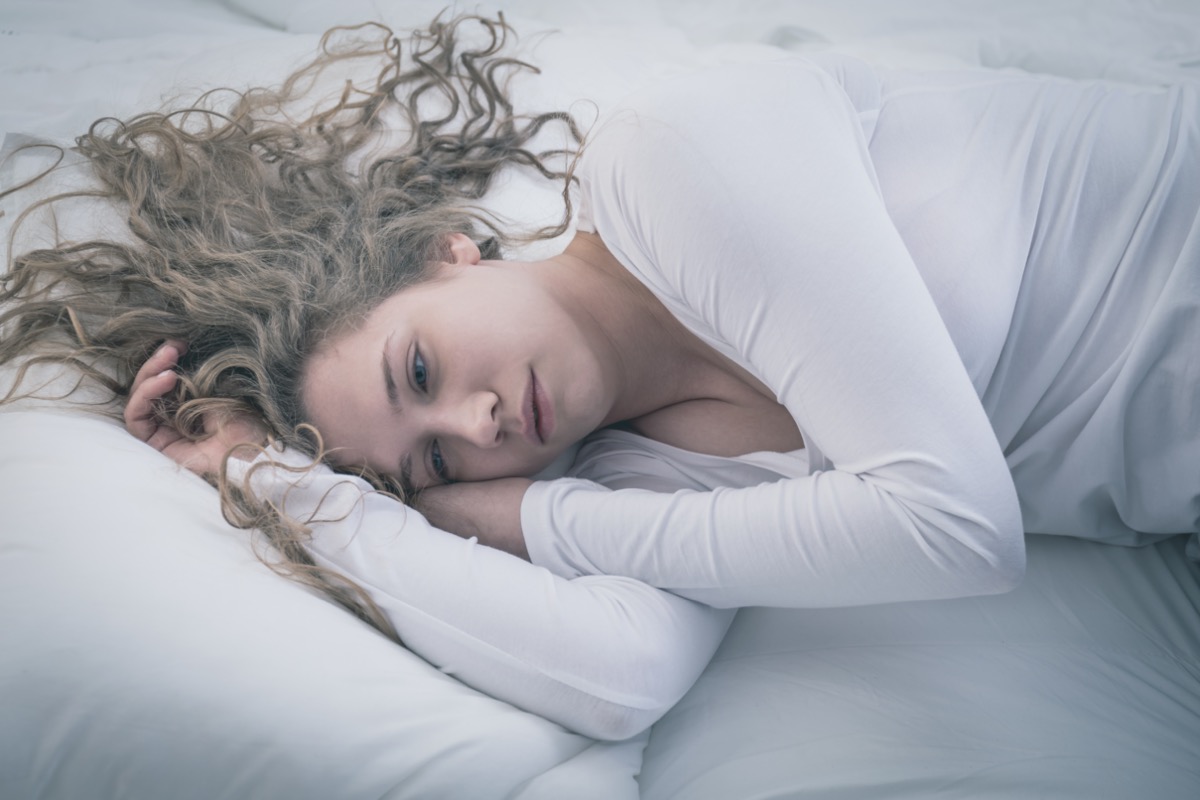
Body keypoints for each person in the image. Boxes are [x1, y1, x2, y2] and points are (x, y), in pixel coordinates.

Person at [5, 11, 1198, 734]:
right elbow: (620, 676)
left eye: (419, 364)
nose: (475, 426)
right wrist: (289, 489)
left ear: (445, 252)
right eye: (432, 462)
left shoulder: (680, 162)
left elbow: (954, 525)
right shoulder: (647, 468)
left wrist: (536, 515)